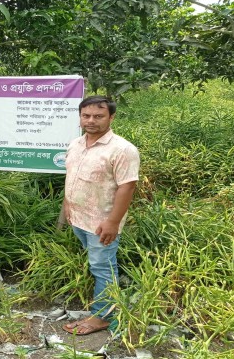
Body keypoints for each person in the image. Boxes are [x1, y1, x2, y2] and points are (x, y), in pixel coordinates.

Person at [61, 96, 140, 335]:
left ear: (111, 117)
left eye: (98, 116)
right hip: (78, 217)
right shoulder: (76, 144)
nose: (91, 121)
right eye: (86, 116)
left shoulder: (122, 149)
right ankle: (104, 305)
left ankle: (103, 317)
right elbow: (72, 177)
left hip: (101, 223)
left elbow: (128, 186)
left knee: (102, 267)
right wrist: (67, 207)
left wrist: (113, 222)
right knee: (99, 264)